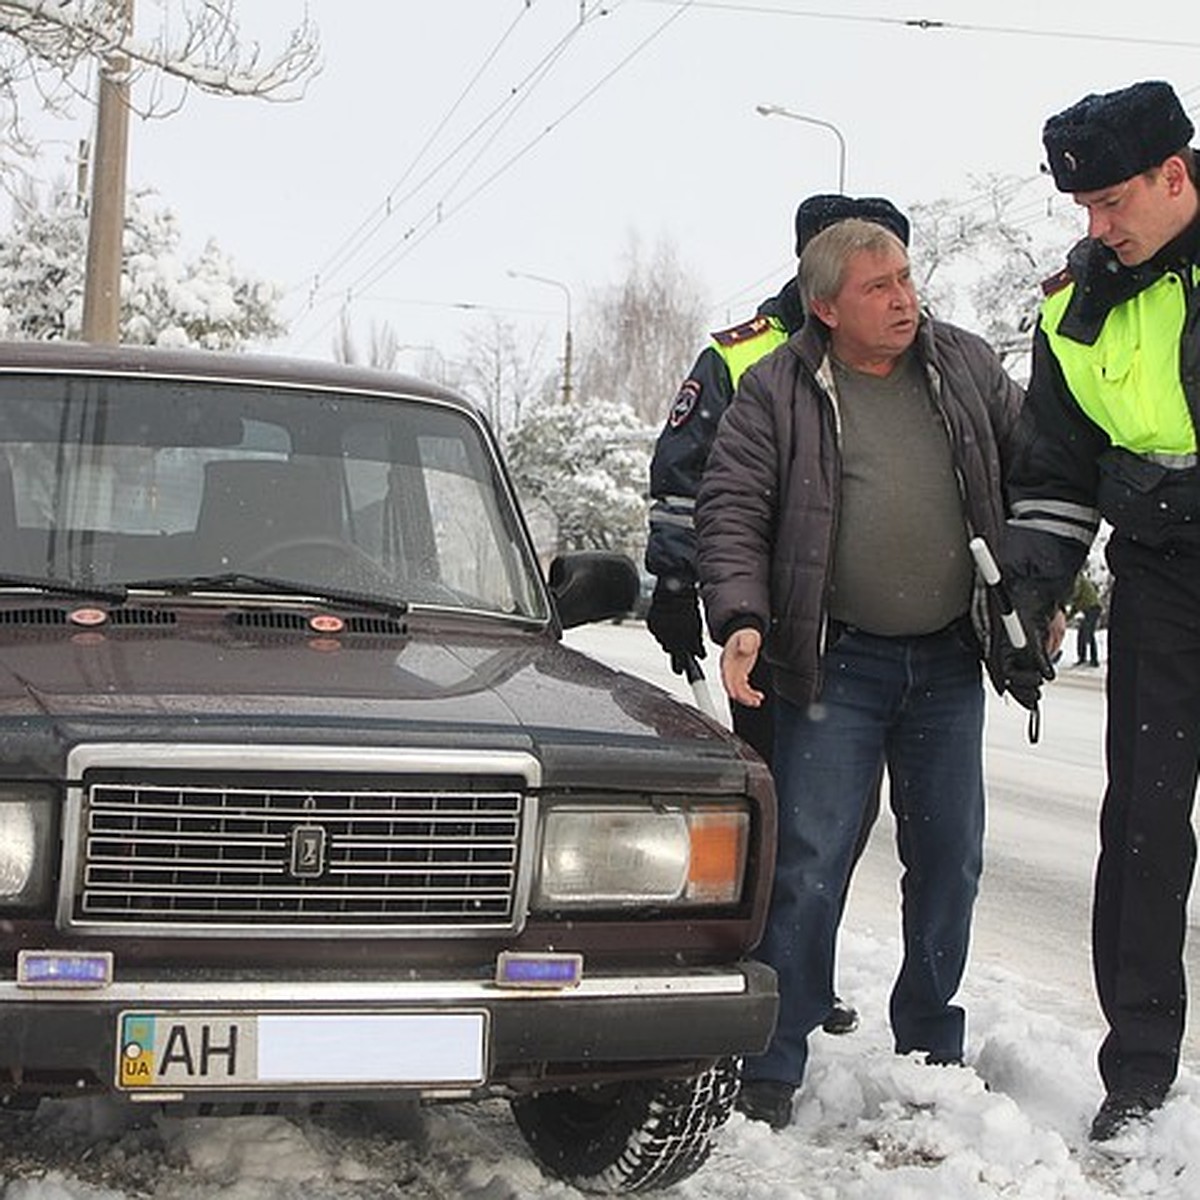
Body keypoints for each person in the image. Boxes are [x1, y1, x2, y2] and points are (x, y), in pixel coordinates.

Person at [695, 216, 1025, 1130]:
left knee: (949, 856)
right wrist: (742, 618)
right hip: (835, 662)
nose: (902, 299)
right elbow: (731, 509)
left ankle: (929, 1041)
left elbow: (1035, 465)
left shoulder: (960, 367)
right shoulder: (777, 388)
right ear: (826, 305)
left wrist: (1034, 589)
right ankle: (774, 1056)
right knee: (809, 860)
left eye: (907, 279)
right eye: (878, 287)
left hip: (951, 658)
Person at [645, 193, 911, 1038]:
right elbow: (684, 475)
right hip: (761, 629)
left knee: (838, 821)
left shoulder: (898, 356)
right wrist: (676, 585)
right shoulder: (744, 356)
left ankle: (799, 973)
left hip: (861, 638)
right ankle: (748, 968)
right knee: (773, 810)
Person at [1000, 79, 1200, 1143]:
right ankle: (1137, 1070)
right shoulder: (1071, 312)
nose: (1097, 227)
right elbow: (1055, 477)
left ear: (1176, 176)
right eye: (1083, 209)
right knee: (1146, 819)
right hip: (1165, 574)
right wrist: (1032, 599)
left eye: (1113, 201)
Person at [1068, 572, 1103, 667]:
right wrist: (1067, 618)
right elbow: (1075, 606)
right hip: (1090, 609)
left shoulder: (1078, 579)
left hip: (1093, 608)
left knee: (1088, 632)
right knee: (1082, 632)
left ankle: (1094, 660)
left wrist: (1066, 599)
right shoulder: (1079, 580)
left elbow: (1075, 595)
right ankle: (1082, 658)